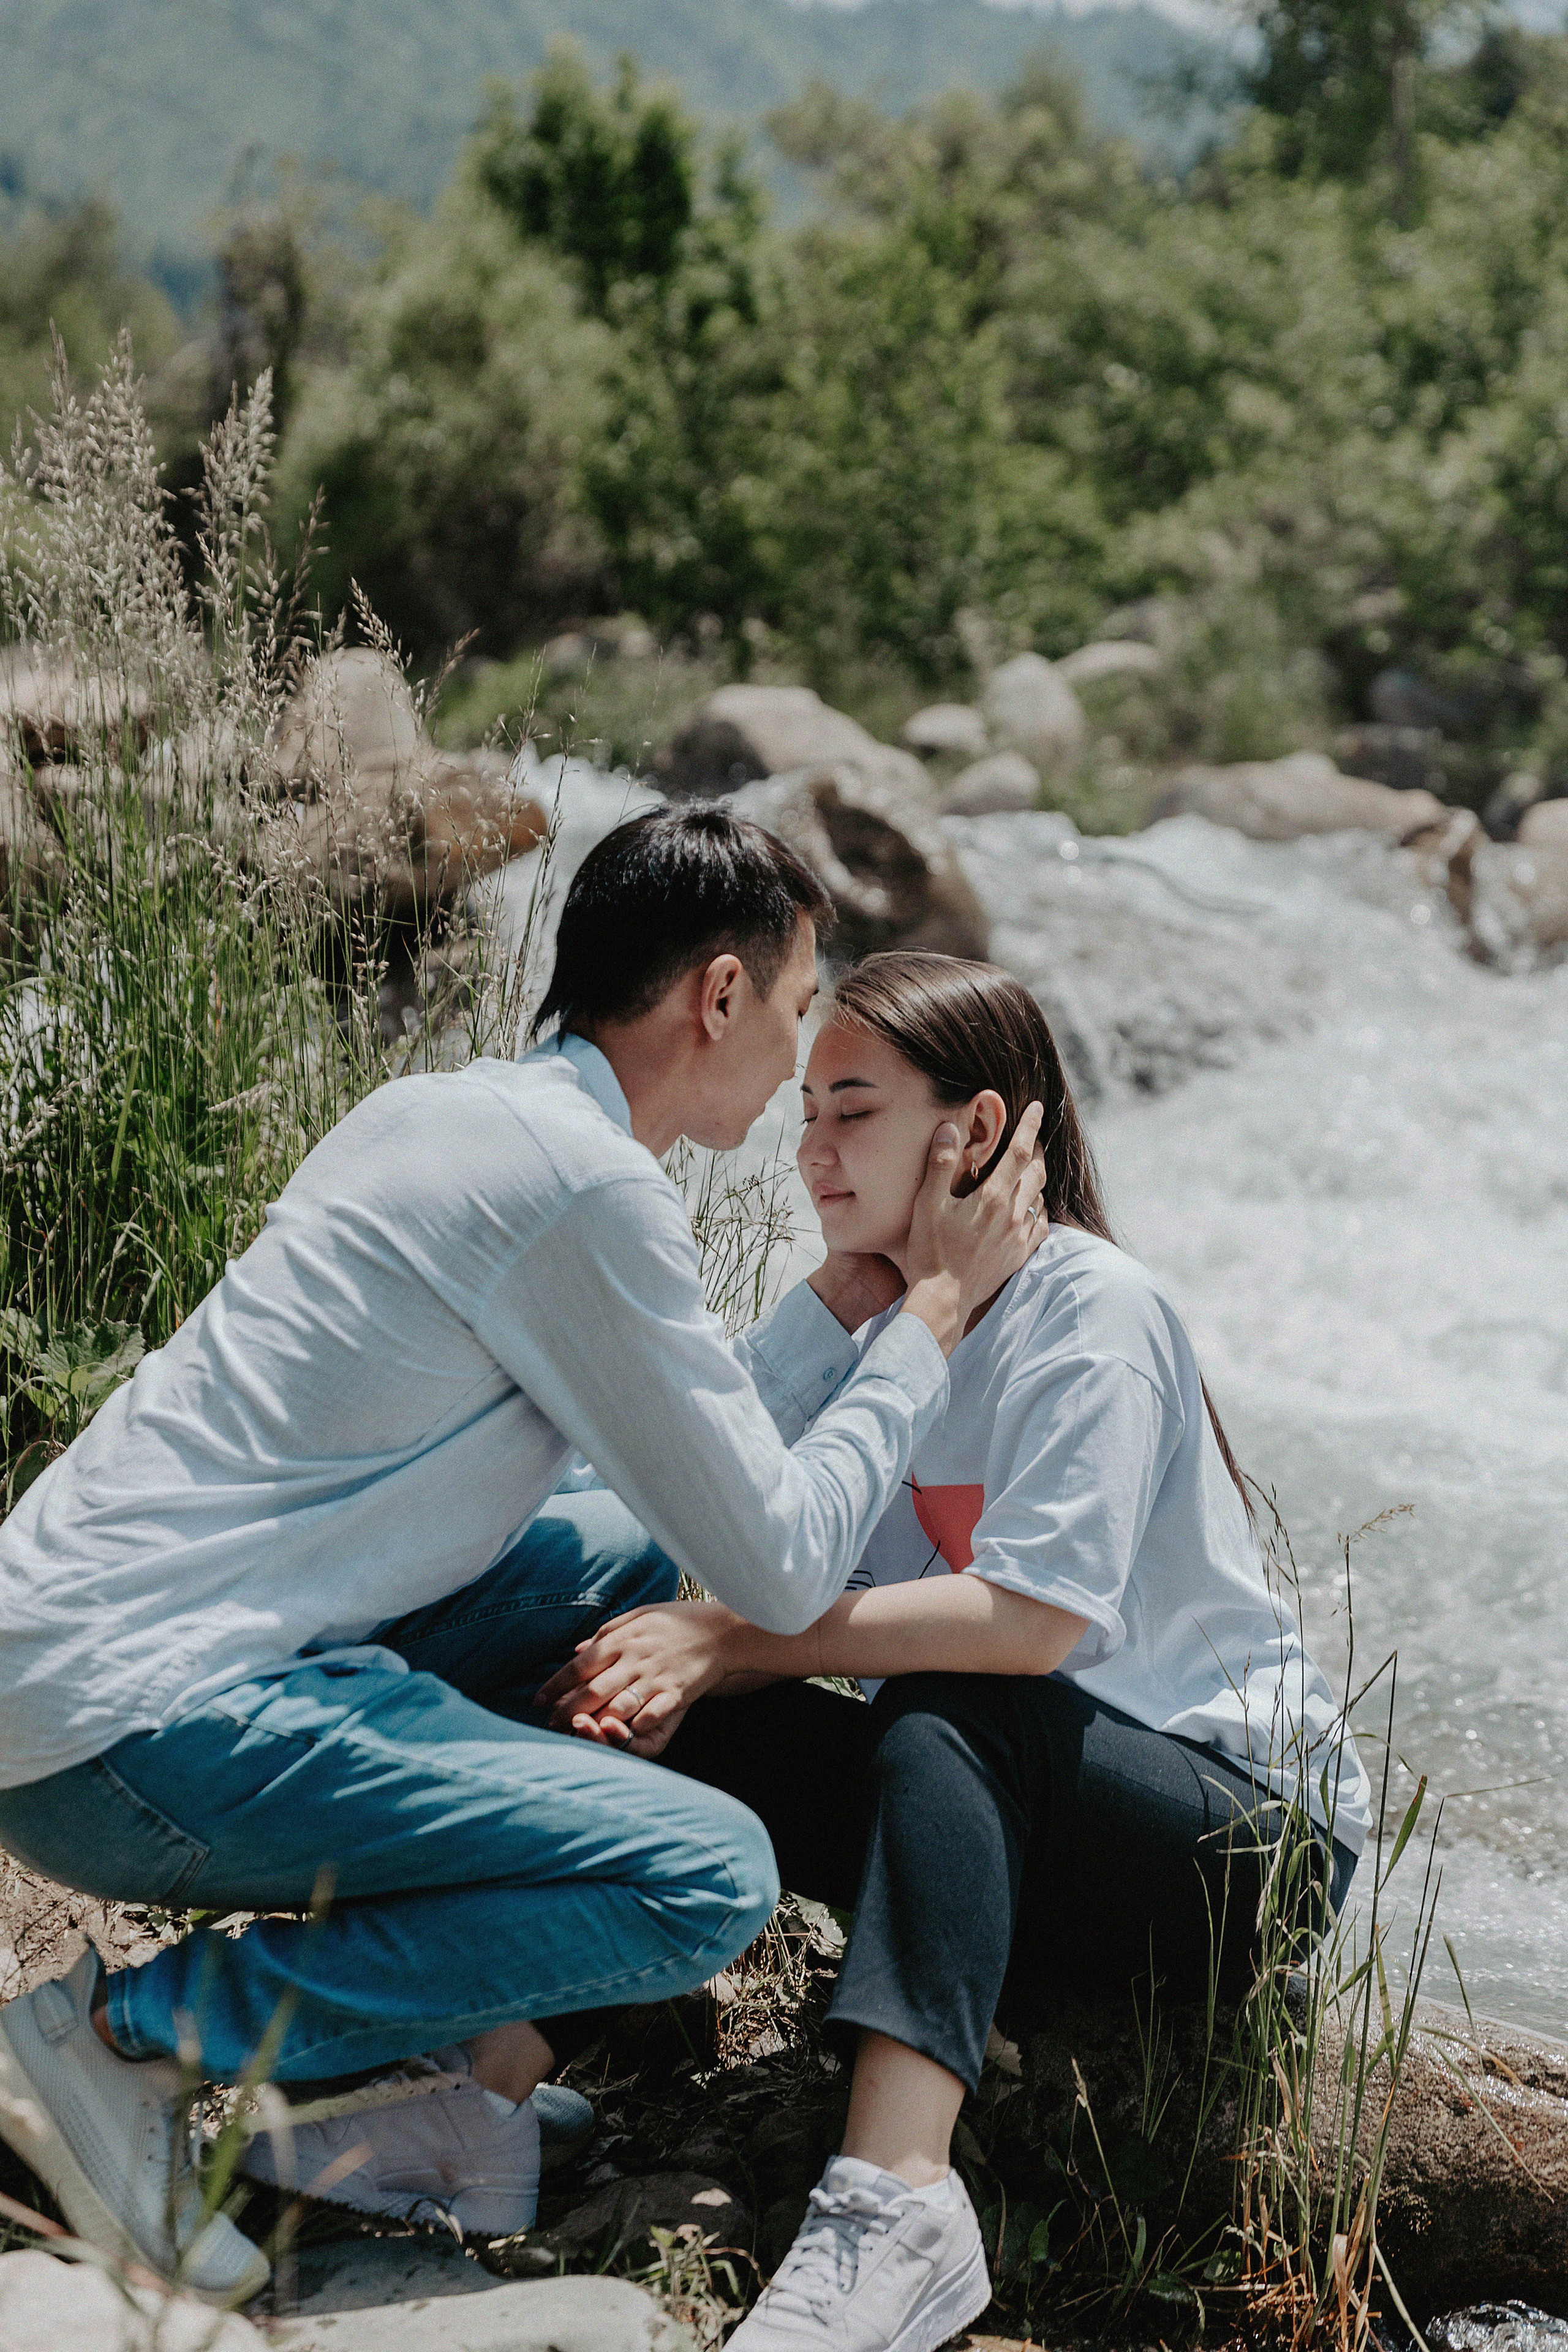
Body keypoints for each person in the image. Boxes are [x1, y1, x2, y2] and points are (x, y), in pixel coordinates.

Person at [0, 819, 1050, 2303]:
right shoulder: (588, 1190)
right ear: (722, 995)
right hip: (134, 1730)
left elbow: (685, 1485)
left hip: (68, 1666)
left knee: (623, 1556)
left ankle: (434, 2049)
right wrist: (926, 1322)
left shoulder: (450, 1112)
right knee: (702, 1873)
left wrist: (832, 1305)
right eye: (802, 1007)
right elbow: (781, 1561)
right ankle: (130, 2042)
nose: (805, 1057)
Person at [537, 951, 1374, 2352]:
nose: (807, 1151)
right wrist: (831, 1311)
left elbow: (1031, 1624)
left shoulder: (1088, 1310)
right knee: (638, 1680)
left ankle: (893, 2211)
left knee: (938, 1692)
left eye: (849, 1111)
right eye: (802, 1112)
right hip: (993, 1811)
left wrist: (738, 1636)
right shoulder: (881, 1322)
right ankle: (487, 2098)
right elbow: (687, 1500)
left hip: (1236, 1844)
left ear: (973, 1133)